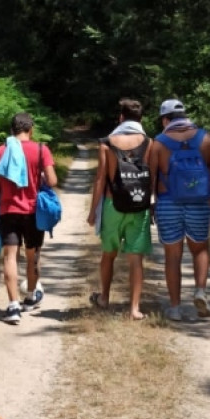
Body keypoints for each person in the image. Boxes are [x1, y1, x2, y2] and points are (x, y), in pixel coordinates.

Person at [150, 98, 210, 321]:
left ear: (165, 119)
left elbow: (151, 177)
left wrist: (152, 205)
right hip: (199, 203)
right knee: (200, 250)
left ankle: (174, 307)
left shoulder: (159, 143)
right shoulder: (206, 139)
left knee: (173, 256)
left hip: (168, 203)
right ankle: (200, 291)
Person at [0, 112, 58, 325]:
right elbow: (52, 180)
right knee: (33, 255)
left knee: (10, 257)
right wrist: (40, 177)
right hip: (33, 212)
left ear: (11, 131)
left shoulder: (0, 152)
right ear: (30, 129)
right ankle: (30, 296)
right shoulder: (41, 150)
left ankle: (13, 305)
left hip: (8, 212)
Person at [86, 98, 153, 320]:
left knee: (109, 254)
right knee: (136, 258)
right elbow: (151, 176)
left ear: (121, 118)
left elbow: (100, 178)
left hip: (112, 204)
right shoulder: (149, 143)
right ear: (140, 119)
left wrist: (92, 211)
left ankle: (104, 297)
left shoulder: (107, 143)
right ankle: (134, 309)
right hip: (139, 206)